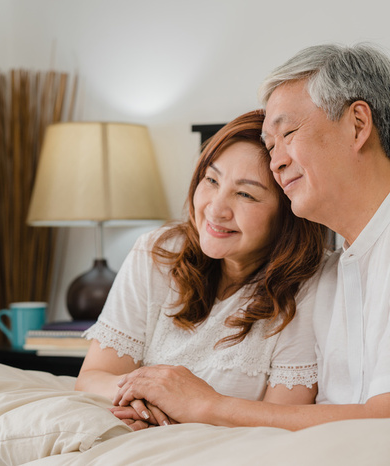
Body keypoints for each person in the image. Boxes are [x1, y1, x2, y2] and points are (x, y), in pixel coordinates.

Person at [112, 44, 390, 465]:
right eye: (270, 146)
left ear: (358, 125)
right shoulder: (330, 270)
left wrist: (210, 405)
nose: (276, 162)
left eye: (287, 133)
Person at [75, 109, 329, 429]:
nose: (215, 209)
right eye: (211, 180)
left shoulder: (310, 287)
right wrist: (149, 401)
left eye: (246, 194)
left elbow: (280, 422)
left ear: (287, 214)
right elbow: (93, 377)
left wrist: (188, 407)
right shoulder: (157, 251)